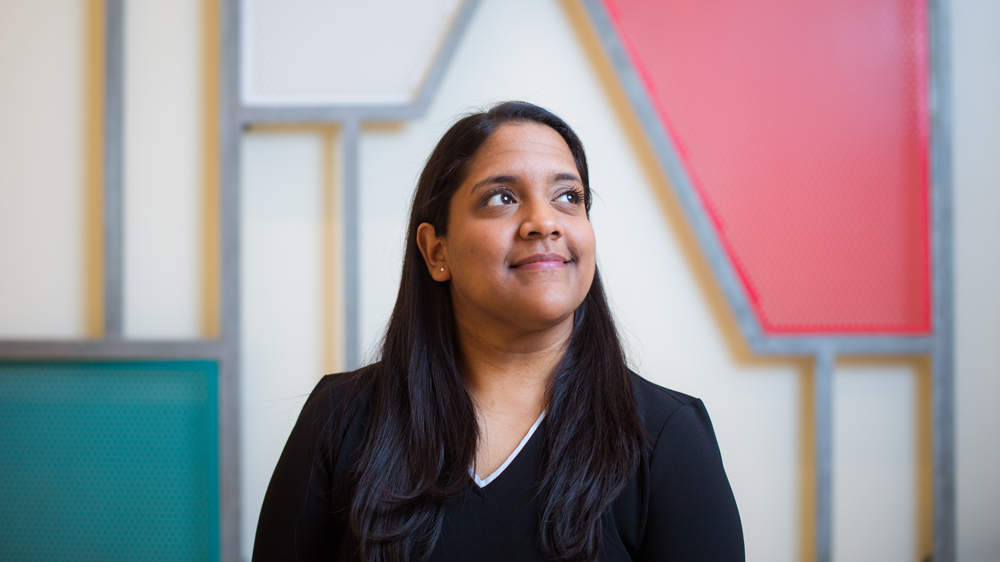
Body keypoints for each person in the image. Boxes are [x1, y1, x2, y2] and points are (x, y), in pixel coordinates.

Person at [252, 101, 744, 562]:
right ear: (436, 252)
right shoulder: (340, 420)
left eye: (568, 197)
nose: (544, 221)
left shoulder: (667, 436)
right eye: (502, 198)